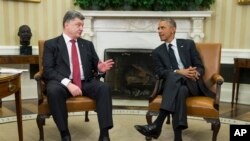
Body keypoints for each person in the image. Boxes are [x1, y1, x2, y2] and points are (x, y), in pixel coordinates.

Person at [134, 18, 215, 141]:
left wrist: (194, 72)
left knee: (174, 78)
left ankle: (157, 124)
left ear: (173, 29)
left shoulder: (188, 44)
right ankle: (178, 138)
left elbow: (200, 67)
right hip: (175, 87)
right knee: (180, 89)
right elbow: (159, 72)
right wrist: (179, 72)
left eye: (162, 28)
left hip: (192, 83)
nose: (159, 31)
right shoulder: (157, 52)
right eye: (158, 28)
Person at [42, 10, 114, 141]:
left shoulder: (87, 44)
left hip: (85, 81)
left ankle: (104, 134)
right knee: (53, 90)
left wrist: (100, 69)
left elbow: (96, 67)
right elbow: (48, 70)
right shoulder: (51, 44)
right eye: (78, 25)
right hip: (62, 82)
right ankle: (65, 133)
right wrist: (68, 84)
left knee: (105, 88)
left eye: (82, 25)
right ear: (66, 25)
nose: (81, 28)